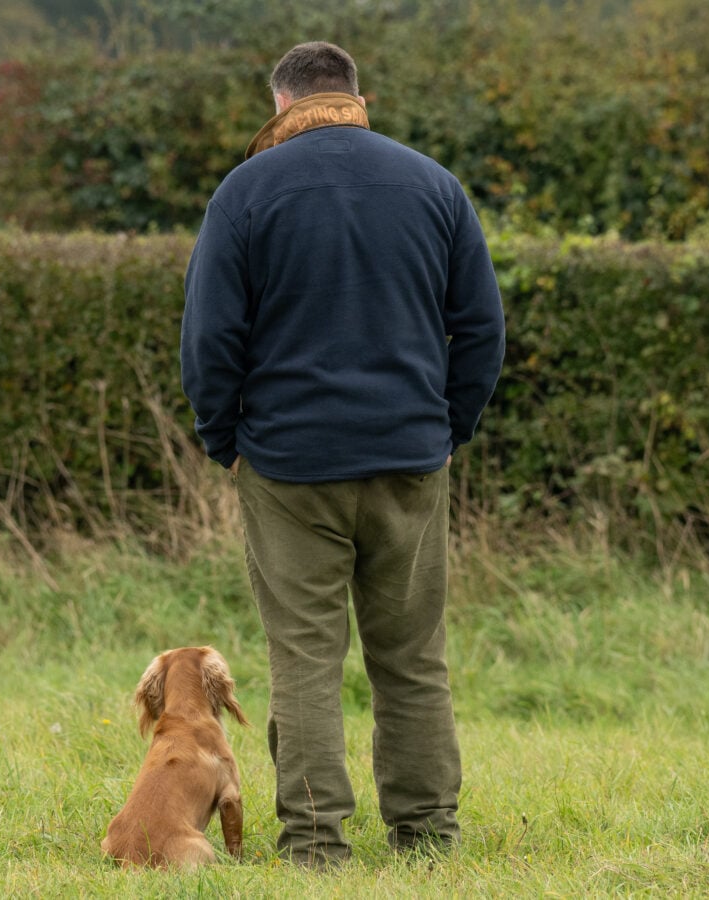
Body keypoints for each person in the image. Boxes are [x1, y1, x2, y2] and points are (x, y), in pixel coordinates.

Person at [181, 41, 505, 868]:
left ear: (281, 101)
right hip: (408, 457)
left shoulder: (245, 190)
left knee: (305, 663)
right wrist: (444, 428)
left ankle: (318, 846)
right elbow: (483, 329)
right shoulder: (434, 184)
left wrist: (225, 437)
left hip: (288, 466)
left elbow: (211, 337)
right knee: (413, 659)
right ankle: (429, 835)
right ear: (357, 96)